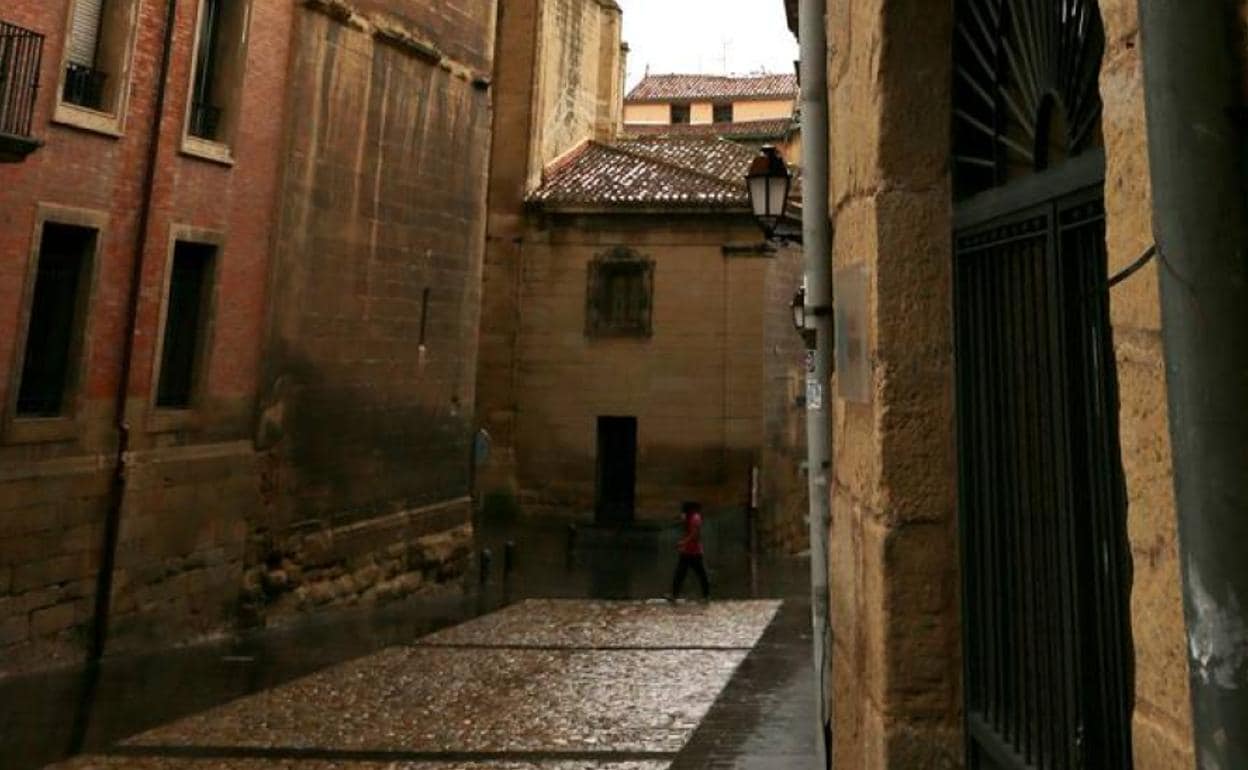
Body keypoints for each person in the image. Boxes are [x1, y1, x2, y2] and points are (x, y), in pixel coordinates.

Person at [669, 501, 710, 601]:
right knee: (680, 573)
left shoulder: (695, 518)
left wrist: (683, 542)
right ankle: (674, 595)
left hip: (694, 552)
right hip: (687, 551)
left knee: (701, 574)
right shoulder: (689, 517)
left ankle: (706, 595)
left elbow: (694, 535)